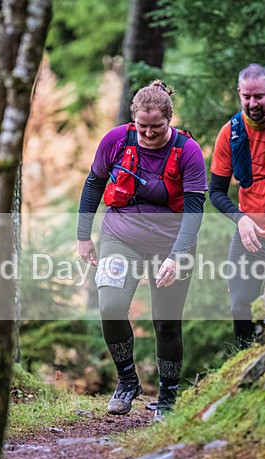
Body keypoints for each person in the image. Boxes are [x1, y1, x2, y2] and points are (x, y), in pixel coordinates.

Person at [77, 80, 207, 420]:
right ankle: (127, 381)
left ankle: (168, 398)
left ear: (169, 120)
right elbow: (94, 184)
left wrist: (177, 257)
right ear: (133, 119)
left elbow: (195, 211)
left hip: (172, 244)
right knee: (111, 306)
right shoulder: (116, 141)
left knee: (166, 322)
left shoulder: (188, 151)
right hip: (121, 238)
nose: (149, 134)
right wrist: (83, 235)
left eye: (157, 128)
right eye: (142, 127)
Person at [209, 64, 265, 347]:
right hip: (251, 237)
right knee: (240, 306)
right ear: (239, 94)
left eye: (259, 96)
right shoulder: (230, 133)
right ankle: (243, 360)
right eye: (246, 97)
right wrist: (240, 219)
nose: (252, 103)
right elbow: (216, 192)